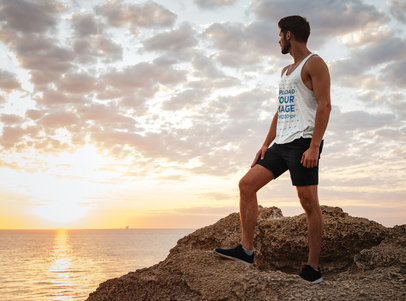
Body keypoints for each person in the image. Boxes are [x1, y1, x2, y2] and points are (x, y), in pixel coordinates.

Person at [215, 15, 331, 284]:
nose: (278, 39)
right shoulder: (285, 72)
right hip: (281, 143)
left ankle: (313, 268)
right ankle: (246, 250)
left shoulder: (315, 63)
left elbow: (325, 106)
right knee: (246, 185)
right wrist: (265, 143)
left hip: (303, 142)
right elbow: (281, 111)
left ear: (289, 35)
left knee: (308, 202)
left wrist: (314, 146)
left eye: (280, 34)